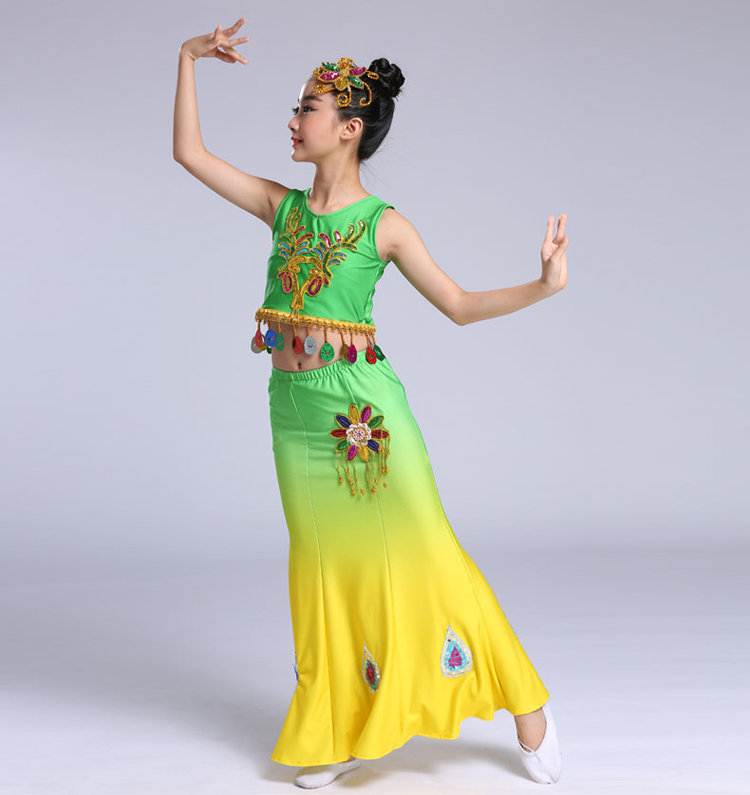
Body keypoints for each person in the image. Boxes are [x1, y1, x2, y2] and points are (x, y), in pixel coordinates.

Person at [173, 17, 568, 790]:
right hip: (294, 413)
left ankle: (529, 703)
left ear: (348, 129)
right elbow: (190, 153)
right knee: (324, 571)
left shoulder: (383, 226)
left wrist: (543, 285)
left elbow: (458, 305)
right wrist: (186, 58)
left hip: (365, 418)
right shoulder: (281, 207)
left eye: (307, 108)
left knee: (429, 554)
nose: (293, 120)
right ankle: (344, 726)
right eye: (297, 107)